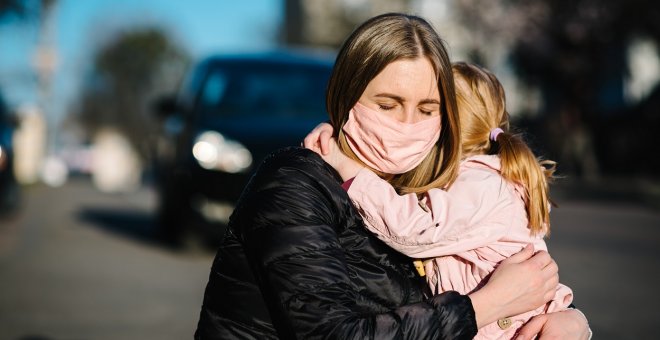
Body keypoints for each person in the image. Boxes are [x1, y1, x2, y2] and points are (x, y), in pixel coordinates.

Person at [195, 13, 589, 339]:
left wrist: (562, 322)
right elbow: (330, 334)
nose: (407, 124)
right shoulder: (295, 183)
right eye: (388, 104)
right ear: (346, 96)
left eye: (427, 109)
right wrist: (493, 304)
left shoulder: (423, 189)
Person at [304, 62, 587, 339]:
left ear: (445, 127)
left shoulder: (481, 185)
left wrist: (348, 168)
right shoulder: (484, 180)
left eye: (427, 111)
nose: (410, 125)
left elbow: (413, 229)